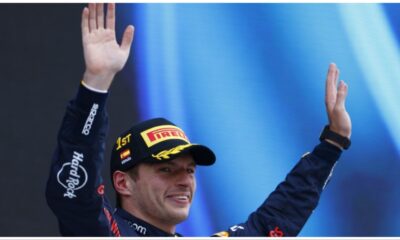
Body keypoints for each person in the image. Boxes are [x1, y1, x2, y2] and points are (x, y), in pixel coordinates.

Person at [46, 3, 352, 237]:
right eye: (166, 169)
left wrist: (333, 142)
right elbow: (73, 191)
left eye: (189, 170)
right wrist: (95, 85)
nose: (184, 181)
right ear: (123, 182)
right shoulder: (102, 231)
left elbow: (275, 220)